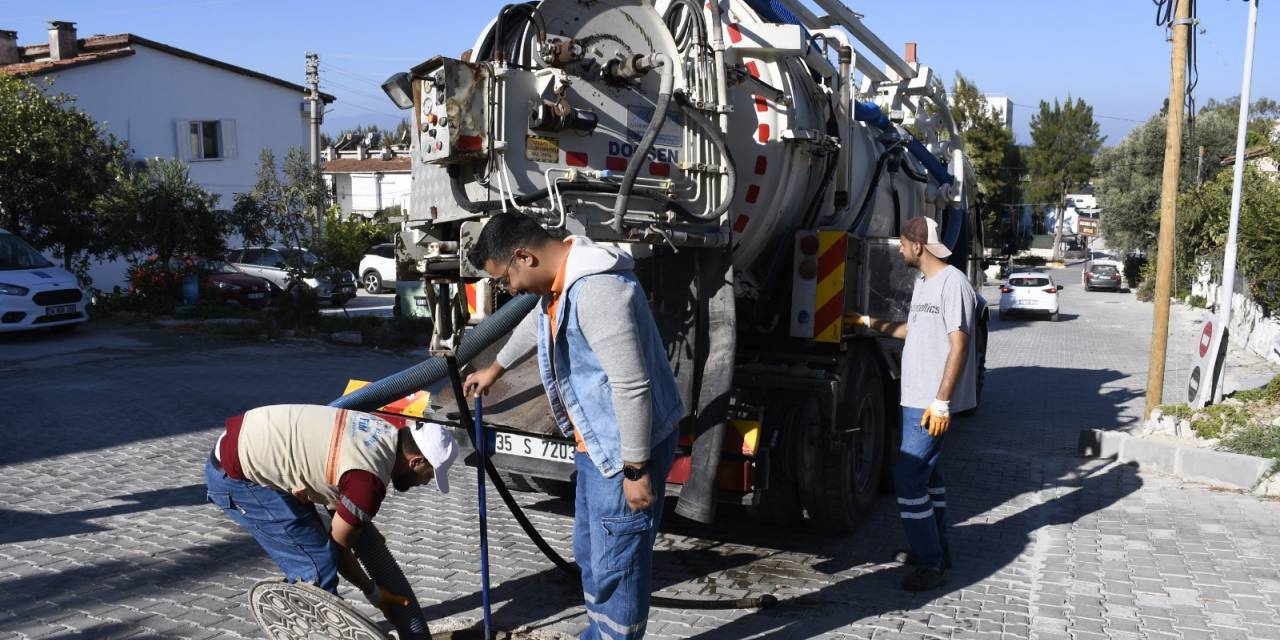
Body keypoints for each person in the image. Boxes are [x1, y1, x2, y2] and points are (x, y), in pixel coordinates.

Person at [463, 212, 683, 640]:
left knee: (616, 562)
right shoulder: (563, 283)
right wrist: (496, 366)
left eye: (505, 278)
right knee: (592, 550)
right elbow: (537, 322)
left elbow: (632, 384)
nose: (509, 289)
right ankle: (599, 633)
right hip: (597, 443)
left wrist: (635, 470)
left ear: (524, 257)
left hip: (624, 449)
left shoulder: (597, 290)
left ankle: (615, 635)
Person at [204, 404, 458, 617]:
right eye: (429, 475)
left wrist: (359, 525)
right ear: (416, 461)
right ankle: (313, 626)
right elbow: (338, 551)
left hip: (246, 443)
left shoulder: (382, 429)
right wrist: (375, 594)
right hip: (237, 476)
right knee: (317, 565)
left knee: (315, 543)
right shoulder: (368, 482)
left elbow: (340, 481)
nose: (425, 483)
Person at [845, 216, 977, 592]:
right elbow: (912, 331)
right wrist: (870, 322)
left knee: (907, 479)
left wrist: (941, 402)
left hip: (929, 403)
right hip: (913, 399)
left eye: (902, 244)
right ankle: (936, 550)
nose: (900, 250)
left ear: (918, 246)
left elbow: (960, 344)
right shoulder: (924, 284)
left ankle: (931, 563)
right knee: (928, 477)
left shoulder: (953, 284)